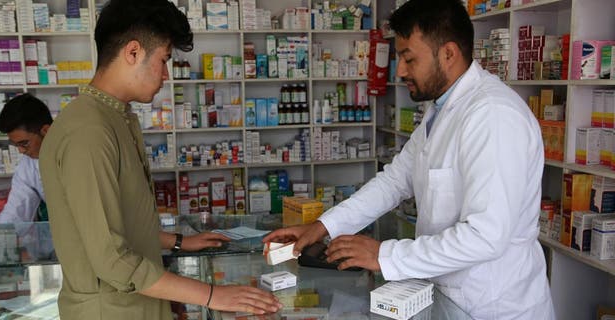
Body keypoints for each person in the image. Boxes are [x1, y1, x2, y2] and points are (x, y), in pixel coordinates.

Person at [264, 0, 555, 319]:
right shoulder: (442, 109)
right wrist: (322, 226)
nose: (400, 70)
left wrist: (383, 254)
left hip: (492, 306)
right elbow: (394, 182)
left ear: (448, 53)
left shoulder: (493, 117)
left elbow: (485, 236)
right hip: (449, 297)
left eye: (408, 58)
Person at [39, 1, 281, 319]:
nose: (166, 75)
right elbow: (111, 259)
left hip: (138, 302)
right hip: (112, 311)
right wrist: (213, 295)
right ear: (133, 52)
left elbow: (120, 223)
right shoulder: (89, 132)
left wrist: (178, 242)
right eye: (164, 60)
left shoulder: (117, 117)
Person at [0, 93, 51, 224]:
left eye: (24, 143)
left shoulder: (77, 153)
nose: (20, 151)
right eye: (16, 145)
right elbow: (17, 207)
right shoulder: (29, 165)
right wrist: (3, 234)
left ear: (46, 131)